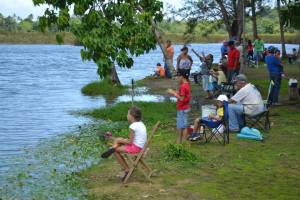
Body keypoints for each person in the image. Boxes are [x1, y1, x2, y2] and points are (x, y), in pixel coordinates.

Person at [101, 107, 147, 181]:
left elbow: (130, 142)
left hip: (136, 148)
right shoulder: (140, 123)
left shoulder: (132, 126)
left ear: (132, 116)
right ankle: (114, 145)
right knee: (120, 139)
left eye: (128, 113)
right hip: (140, 146)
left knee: (115, 151)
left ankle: (126, 170)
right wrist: (117, 139)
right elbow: (132, 140)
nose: (127, 115)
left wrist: (120, 140)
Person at [167, 70, 191, 143]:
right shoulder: (187, 84)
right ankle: (181, 142)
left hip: (182, 109)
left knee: (181, 127)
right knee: (183, 126)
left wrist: (173, 93)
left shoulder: (183, 86)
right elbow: (183, 96)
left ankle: (180, 143)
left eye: (178, 76)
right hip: (185, 107)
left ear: (182, 77)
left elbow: (182, 99)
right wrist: (176, 92)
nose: (177, 78)